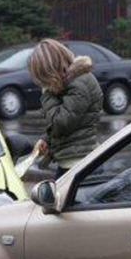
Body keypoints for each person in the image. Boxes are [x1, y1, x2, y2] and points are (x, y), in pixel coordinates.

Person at [28, 39, 104, 179]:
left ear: (52, 70)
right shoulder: (70, 83)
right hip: (73, 163)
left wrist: (46, 94)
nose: (43, 83)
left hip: (80, 165)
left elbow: (61, 122)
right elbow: (71, 126)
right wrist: (46, 139)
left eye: (44, 78)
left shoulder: (79, 84)